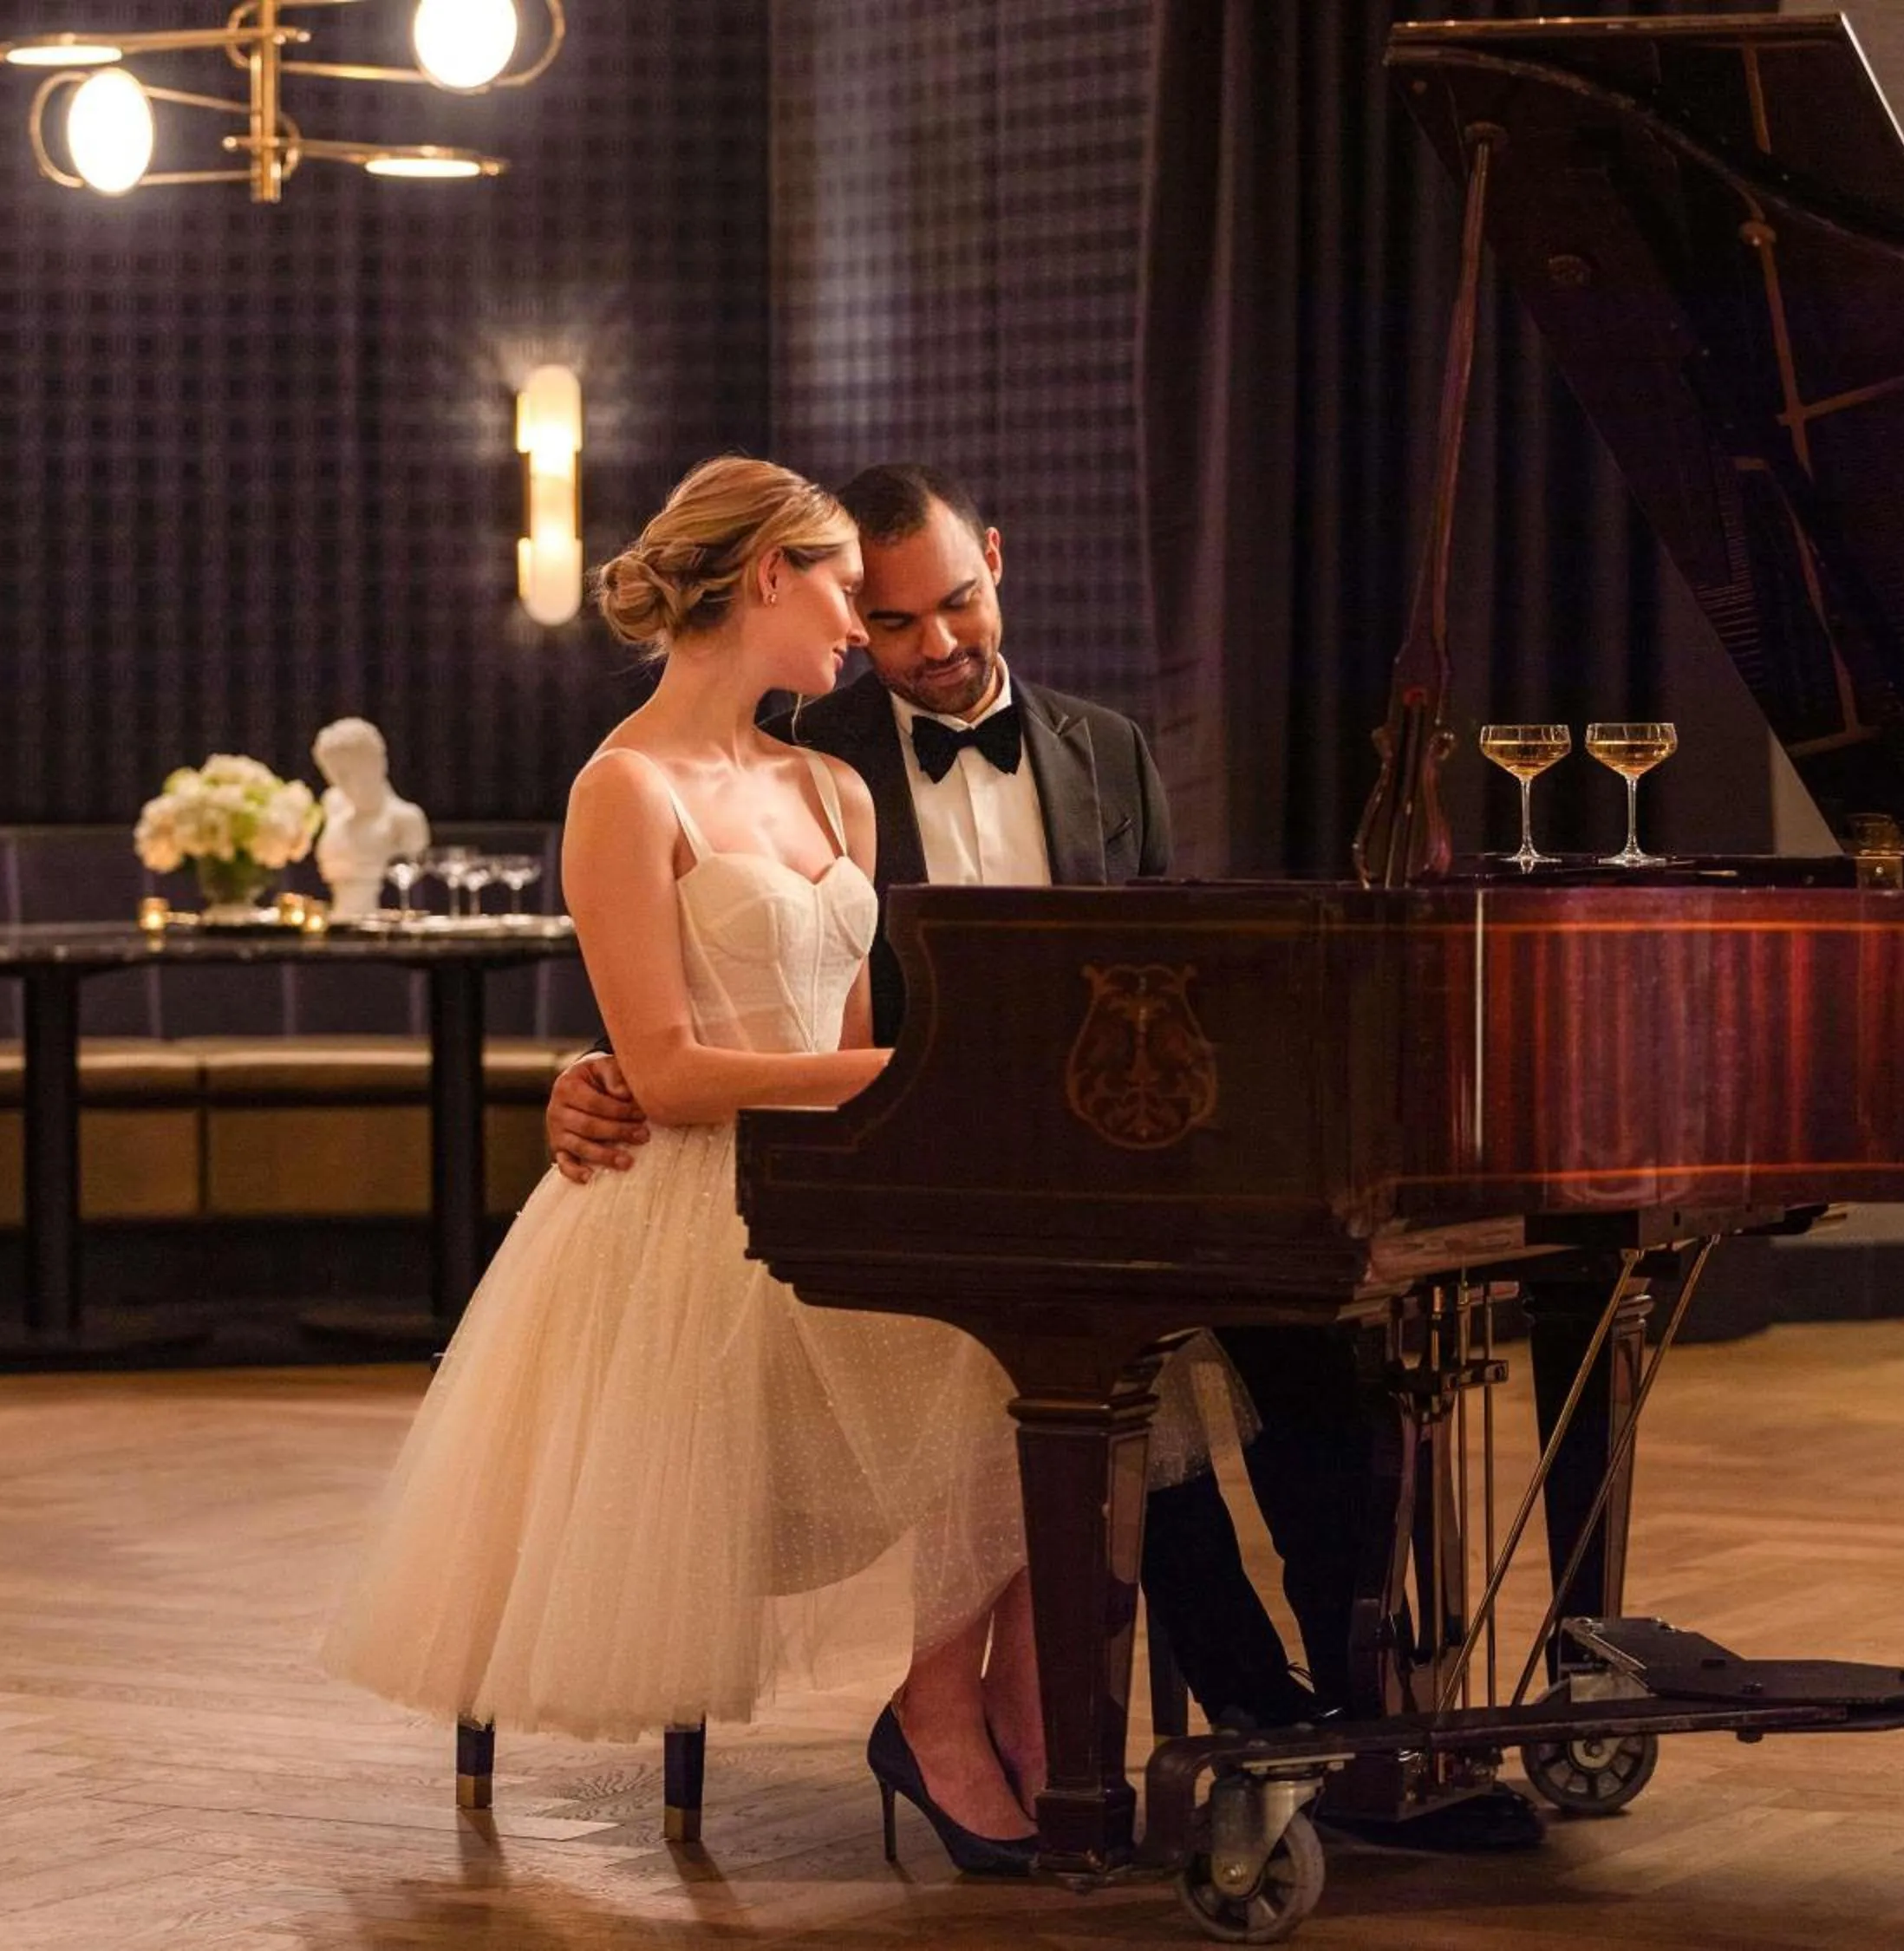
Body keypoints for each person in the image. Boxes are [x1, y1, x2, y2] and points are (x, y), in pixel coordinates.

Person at [548, 462, 1547, 1850]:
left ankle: (1371, 1730)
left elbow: (1172, 983)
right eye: (888, 620)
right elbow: (687, 992)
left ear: (999, 561)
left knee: (1323, 1356)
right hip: (924, 1185)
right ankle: (1235, 1722)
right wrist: (588, 1072)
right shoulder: (798, 735)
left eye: (957, 602)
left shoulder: (1107, 751)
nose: (933, 643)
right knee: (1082, 1373)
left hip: (1122, 1162)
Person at [322, 457, 1043, 1875]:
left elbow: (840, 1040)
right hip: (681, 1220)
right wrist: (935, 1084)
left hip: (823, 1191)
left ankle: (955, 1707)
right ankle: (951, 1729)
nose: (860, 625)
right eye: (845, 591)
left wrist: (908, 1119)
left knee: (1024, 1354)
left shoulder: (837, 788)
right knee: (981, 1370)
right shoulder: (623, 788)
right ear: (769, 575)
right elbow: (662, 1073)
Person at [310, 716, 430, 920]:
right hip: (335, 922)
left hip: (385, 925)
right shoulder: (333, 804)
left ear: (378, 764)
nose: (341, 783)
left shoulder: (405, 819)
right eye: (333, 775)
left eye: (348, 773)